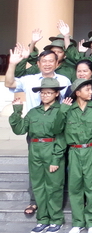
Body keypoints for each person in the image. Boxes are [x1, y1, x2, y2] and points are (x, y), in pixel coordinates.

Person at [4, 46, 71, 217]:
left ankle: (58, 202)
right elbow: (9, 83)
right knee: (36, 168)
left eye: (51, 61)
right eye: (44, 61)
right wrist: (12, 64)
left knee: (59, 164)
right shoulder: (30, 80)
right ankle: (35, 201)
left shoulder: (64, 80)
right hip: (35, 128)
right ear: (38, 63)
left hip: (58, 127)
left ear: (57, 63)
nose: (47, 64)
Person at [9, 78, 66, 233]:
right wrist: (17, 111)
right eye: (42, 92)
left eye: (48, 92)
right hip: (35, 150)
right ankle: (42, 219)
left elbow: (61, 137)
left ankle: (56, 220)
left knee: (54, 186)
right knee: (38, 186)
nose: (45, 95)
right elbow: (20, 130)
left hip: (52, 149)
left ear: (56, 94)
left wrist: (56, 159)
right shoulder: (34, 112)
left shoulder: (61, 111)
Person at [54, 78, 92, 233]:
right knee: (75, 188)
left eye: (91, 89)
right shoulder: (67, 109)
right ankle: (78, 223)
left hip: (91, 150)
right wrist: (62, 110)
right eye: (87, 89)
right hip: (74, 152)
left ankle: (91, 222)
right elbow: (56, 129)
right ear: (77, 92)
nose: (91, 92)